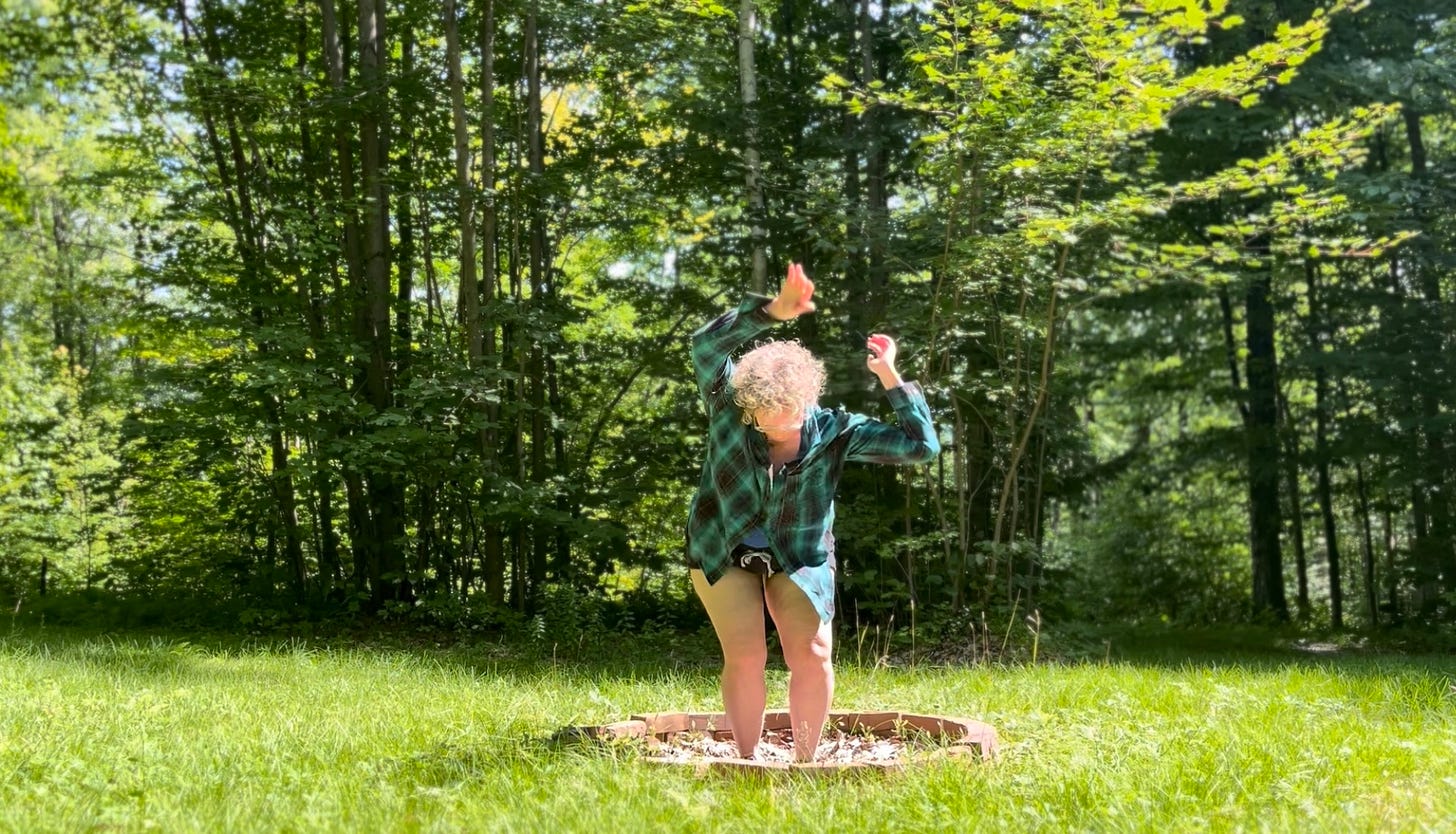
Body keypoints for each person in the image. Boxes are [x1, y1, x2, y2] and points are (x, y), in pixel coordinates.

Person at [685, 261, 941, 762]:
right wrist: (772, 312)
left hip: (798, 554)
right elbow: (704, 345)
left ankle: (805, 762)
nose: (777, 431)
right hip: (721, 543)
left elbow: (922, 446)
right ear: (746, 406)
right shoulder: (727, 404)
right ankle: (746, 761)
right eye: (764, 424)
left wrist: (890, 375)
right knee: (747, 656)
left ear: (808, 401)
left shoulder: (836, 430)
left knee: (814, 654)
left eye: (789, 421)